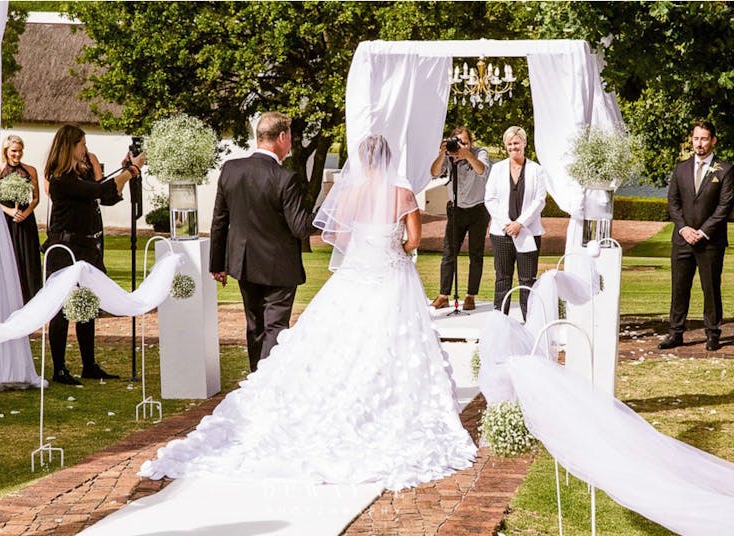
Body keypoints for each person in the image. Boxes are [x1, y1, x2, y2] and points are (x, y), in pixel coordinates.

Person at [139, 134, 476, 491]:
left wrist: (366, 245)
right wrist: (392, 245)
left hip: (356, 275)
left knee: (341, 339)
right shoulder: (403, 195)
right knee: (394, 341)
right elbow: (413, 241)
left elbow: (339, 236)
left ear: (362, 161)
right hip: (392, 275)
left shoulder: (350, 194)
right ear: (390, 159)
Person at [210, 112, 315, 372]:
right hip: (279, 268)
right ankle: (264, 385)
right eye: (290, 137)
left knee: (255, 326)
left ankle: (255, 377)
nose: (290, 143)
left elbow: (219, 220)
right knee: (276, 328)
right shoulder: (285, 178)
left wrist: (217, 264)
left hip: (244, 264)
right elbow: (300, 227)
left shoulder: (230, 169)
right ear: (281, 137)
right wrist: (328, 215)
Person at [43, 124, 146, 385]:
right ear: (70, 146)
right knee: (62, 308)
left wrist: (125, 172)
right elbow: (98, 191)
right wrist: (131, 171)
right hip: (66, 250)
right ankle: (59, 369)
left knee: (88, 304)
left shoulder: (81, 175)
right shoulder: (60, 179)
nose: (85, 149)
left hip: (86, 248)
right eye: (82, 144)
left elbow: (106, 196)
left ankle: (89, 364)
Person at [659, 120, 734, 351]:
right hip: (682, 239)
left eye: (703, 139)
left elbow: (725, 206)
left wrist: (702, 232)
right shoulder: (680, 168)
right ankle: (676, 333)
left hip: (710, 241)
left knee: (710, 288)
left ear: (713, 140)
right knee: (679, 288)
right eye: (695, 138)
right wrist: (683, 228)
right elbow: (673, 202)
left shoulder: (725, 170)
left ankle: (713, 334)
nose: (699, 143)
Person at [484, 126, 547, 321]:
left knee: (527, 280)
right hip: (502, 234)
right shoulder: (497, 169)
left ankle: (530, 324)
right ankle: (500, 323)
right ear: (506, 146)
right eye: (510, 144)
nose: (513, 147)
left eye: (517, 143)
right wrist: (507, 224)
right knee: (503, 278)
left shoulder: (537, 170)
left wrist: (520, 223)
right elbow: (490, 199)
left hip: (529, 232)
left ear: (524, 143)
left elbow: (540, 200)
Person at [429, 126, 491, 311]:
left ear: (471, 142)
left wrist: (467, 155)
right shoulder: (449, 156)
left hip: (478, 210)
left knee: (475, 254)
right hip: (456, 210)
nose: (461, 145)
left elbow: (482, 171)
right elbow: (434, 172)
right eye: (458, 142)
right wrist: (443, 153)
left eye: (465, 142)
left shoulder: (480, 153)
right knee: (449, 253)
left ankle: (470, 295)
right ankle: (443, 295)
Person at [0, 135, 42, 303]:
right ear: (6, 151)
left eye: (20, 151)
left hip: (25, 220)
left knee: (26, 258)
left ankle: (29, 298)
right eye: (14, 151)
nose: (17, 154)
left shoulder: (30, 170)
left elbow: (36, 198)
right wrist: (9, 211)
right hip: (6, 220)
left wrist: (27, 212)